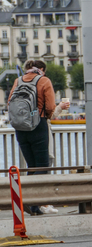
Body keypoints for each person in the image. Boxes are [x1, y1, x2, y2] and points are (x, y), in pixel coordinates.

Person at [8, 60, 56, 215]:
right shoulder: (44, 81)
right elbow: (49, 107)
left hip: (20, 128)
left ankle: (34, 207)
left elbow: (10, 102)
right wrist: (45, 117)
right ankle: (28, 200)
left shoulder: (18, 80)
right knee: (42, 166)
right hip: (38, 125)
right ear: (40, 70)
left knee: (32, 166)